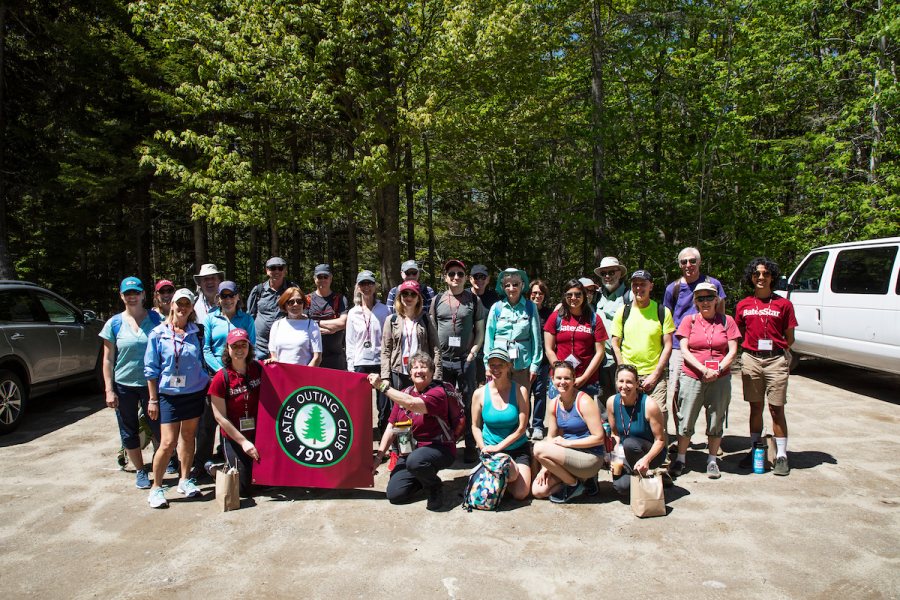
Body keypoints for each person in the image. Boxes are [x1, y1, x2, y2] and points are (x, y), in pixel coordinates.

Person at [143, 288, 210, 508]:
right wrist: (153, 400)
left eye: (187, 305)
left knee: (189, 437)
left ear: (192, 308)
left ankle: (184, 479)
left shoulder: (195, 331)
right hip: (169, 395)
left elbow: (201, 358)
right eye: (179, 304)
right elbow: (151, 370)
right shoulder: (158, 333)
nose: (182, 308)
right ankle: (156, 488)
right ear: (171, 304)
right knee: (168, 442)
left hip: (193, 392)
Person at [668, 282, 740, 480]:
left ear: (717, 299)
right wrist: (702, 369)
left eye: (709, 297)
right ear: (695, 301)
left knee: (716, 418)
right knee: (686, 417)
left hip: (720, 378)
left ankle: (712, 460)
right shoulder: (688, 321)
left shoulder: (727, 321)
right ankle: (681, 459)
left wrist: (718, 369)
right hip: (692, 376)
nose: (705, 302)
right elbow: (684, 349)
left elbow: (732, 350)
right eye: (701, 298)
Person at [369, 351, 455, 511]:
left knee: (416, 460)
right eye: (415, 367)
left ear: (431, 372)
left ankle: (434, 487)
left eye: (424, 367)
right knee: (395, 495)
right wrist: (378, 458)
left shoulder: (438, 393)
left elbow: (412, 404)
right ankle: (422, 477)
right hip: (409, 451)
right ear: (409, 373)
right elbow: (391, 427)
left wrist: (381, 385)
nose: (419, 371)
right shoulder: (404, 393)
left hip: (438, 448)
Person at [735, 257, 797, 476]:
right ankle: (755, 449)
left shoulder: (783, 304)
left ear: (772, 277)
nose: (761, 278)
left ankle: (781, 455)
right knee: (755, 407)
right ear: (751, 278)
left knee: (776, 408)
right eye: (756, 274)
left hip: (775, 359)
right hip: (751, 358)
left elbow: (790, 337)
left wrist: (777, 353)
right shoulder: (743, 304)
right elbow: (738, 333)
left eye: (766, 274)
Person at [99, 277, 163, 489]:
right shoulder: (114, 323)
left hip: (151, 383)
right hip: (124, 384)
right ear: (122, 296)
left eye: (136, 292)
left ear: (143, 294)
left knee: (159, 426)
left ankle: (163, 461)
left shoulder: (156, 319)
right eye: (128, 293)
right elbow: (108, 359)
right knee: (129, 429)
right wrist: (109, 389)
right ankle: (140, 470)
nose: (132, 296)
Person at [195, 280, 257, 476]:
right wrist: (224, 370)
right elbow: (206, 348)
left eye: (231, 295)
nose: (228, 299)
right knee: (209, 422)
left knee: (240, 415)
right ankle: (201, 463)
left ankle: (230, 455)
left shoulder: (246, 318)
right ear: (218, 299)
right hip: (218, 375)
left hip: (242, 374)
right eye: (224, 296)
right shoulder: (210, 319)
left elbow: (251, 344)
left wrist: (238, 368)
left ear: (238, 297)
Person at [610, 270, 675, 452]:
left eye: (643, 284)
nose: (639, 288)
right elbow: (615, 342)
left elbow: (668, 345)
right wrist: (623, 370)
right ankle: (625, 456)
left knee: (659, 415)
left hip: (654, 373)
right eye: (635, 284)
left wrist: (656, 374)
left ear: (651, 286)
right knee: (626, 416)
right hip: (627, 375)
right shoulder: (623, 311)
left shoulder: (662, 311)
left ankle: (662, 461)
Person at [428, 259, 485, 462]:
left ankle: (470, 444)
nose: (456, 277)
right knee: (445, 403)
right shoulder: (437, 300)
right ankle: (447, 444)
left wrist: (473, 352)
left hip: (466, 360)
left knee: (469, 402)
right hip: (443, 361)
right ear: (445, 277)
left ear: (464, 277)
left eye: (460, 274)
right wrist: (435, 358)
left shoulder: (474, 300)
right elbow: (432, 331)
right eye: (451, 274)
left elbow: (480, 331)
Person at [663, 247, 726, 423]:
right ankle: (681, 433)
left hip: (709, 346)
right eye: (684, 262)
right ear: (679, 264)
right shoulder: (673, 288)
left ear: (699, 262)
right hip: (679, 347)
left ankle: (714, 437)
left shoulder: (713, 284)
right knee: (678, 392)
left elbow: (722, 314)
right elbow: (667, 319)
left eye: (692, 261)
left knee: (714, 392)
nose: (688, 265)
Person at [532, 361, 607, 503]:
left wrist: (567, 443)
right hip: (568, 457)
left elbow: (599, 438)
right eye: (558, 378)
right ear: (552, 380)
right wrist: (544, 467)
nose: (562, 382)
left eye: (567, 378)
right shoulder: (554, 404)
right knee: (538, 491)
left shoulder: (584, 401)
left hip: (590, 458)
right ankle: (582, 482)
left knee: (538, 448)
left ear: (574, 380)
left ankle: (574, 484)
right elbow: (551, 437)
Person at [471, 348, 532, 500]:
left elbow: (521, 428)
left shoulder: (520, 391)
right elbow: (475, 426)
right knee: (510, 473)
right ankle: (502, 477)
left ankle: (501, 479)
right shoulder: (479, 393)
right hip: (491, 450)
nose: (496, 369)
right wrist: (483, 447)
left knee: (521, 493)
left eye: (500, 365)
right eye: (492, 365)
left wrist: (499, 447)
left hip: (516, 448)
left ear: (508, 366)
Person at [208, 328, 262, 497]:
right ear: (228, 349)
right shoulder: (221, 378)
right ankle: (214, 468)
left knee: (266, 479)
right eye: (235, 346)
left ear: (249, 348)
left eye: (243, 345)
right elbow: (220, 417)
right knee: (243, 488)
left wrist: (272, 362)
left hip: (258, 432)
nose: (239, 350)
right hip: (234, 436)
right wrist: (244, 442)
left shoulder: (258, 369)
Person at [543, 278, 608, 408]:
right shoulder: (556, 317)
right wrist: (560, 372)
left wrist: (584, 377)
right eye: (569, 295)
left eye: (578, 294)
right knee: (559, 416)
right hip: (560, 379)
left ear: (584, 296)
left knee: (583, 417)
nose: (574, 298)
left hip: (585, 379)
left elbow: (600, 352)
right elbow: (549, 349)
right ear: (564, 296)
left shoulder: (594, 318)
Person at [606, 364, 666, 496]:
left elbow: (660, 440)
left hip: (651, 452)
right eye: (621, 381)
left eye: (629, 382)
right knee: (622, 488)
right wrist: (614, 457)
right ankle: (640, 475)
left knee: (630, 443)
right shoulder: (611, 402)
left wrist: (647, 459)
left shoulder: (649, 405)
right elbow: (615, 434)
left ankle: (648, 471)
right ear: (616, 382)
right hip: (626, 450)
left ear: (637, 383)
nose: (624, 386)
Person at [483, 268, 543, 395]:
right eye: (507, 285)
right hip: (498, 364)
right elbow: (489, 337)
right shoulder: (496, 308)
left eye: (515, 284)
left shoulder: (530, 307)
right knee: (499, 399)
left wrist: (534, 366)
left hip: (523, 363)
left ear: (522, 285)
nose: (511, 288)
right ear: (502, 287)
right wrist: (487, 364)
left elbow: (536, 339)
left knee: (522, 399)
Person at [345, 270, 391, 434]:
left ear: (375, 286)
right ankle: (363, 440)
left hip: (381, 362)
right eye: (363, 284)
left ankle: (384, 437)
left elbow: (389, 338)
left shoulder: (384, 310)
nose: (366, 287)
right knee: (361, 405)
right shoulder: (352, 313)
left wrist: (389, 362)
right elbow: (349, 342)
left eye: (369, 283)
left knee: (384, 404)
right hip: (360, 363)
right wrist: (351, 368)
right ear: (357, 287)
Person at [381, 280, 442, 390]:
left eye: (413, 294)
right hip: (398, 372)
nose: (409, 297)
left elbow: (436, 349)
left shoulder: (427, 319)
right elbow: (386, 350)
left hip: (421, 372)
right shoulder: (391, 320)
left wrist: (437, 376)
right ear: (400, 297)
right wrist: (385, 376)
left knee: (419, 405)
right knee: (399, 406)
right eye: (405, 294)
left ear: (418, 298)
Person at [247, 256, 299, 360]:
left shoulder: (293, 289)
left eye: (280, 268)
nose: (276, 271)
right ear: (267, 270)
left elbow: (300, 313)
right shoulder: (258, 290)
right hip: (260, 347)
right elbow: (249, 316)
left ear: (285, 271)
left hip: (285, 347)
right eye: (272, 268)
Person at [594, 257, 628, 411]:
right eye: (604, 273)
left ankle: (624, 431)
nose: (607, 276)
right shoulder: (596, 296)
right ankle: (605, 430)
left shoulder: (630, 297)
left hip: (621, 358)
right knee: (602, 396)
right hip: (601, 359)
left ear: (619, 273)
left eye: (611, 272)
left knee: (624, 395)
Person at [306, 263, 349, 370]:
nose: (322, 280)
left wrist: (316, 323)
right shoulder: (307, 299)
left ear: (331, 278)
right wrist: (332, 327)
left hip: (336, 357)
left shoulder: (340, 299)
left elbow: (343, 323)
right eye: (319, 277)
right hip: (311, 357)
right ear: (314, 279)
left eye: (325, 277)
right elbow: (304, 324)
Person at [268, 287, 322, 366]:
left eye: (299, 301)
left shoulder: (311, 325)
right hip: (281, 374)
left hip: (303, 375)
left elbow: (317, 357)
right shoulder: (277, 325)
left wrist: (304, 375)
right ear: (284, 304)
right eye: (291, 302)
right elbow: (273, 355)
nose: (296, 304)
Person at [528, 279, 552, 440]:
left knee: (539, 393)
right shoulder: (524, 311)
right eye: (534, 293)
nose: (537, 296)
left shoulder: (549, 314)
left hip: (542, 361)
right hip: (524, 360)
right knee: (523, 394)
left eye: (541, 293)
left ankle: (537, 425)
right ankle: (522, 425)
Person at [469, 263, 501, 385]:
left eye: (483, 277)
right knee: (468, 388)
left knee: (486, 386)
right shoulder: (464, 296)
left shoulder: (495, 299)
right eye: (476, 276)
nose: (479, 280)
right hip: (468, 349)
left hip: (488, 349)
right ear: (470, 278)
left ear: (488, 279)